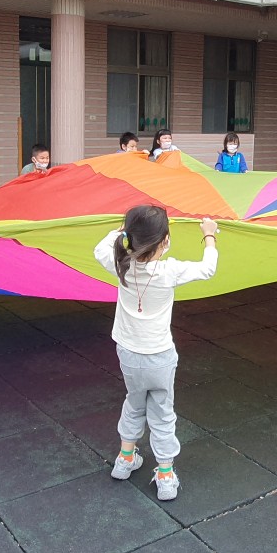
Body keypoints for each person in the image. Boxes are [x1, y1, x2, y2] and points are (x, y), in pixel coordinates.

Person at [94, 206, 219, 500]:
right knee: (162, 412)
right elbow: (208, 268)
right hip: (160, 357)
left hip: (128, 354)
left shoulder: (121, 264)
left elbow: (100, 249)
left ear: (130, 238)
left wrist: (121, 231)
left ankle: (125, 460)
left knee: (134, 402)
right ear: (164, 241)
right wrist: (209, 235)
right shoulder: (169, 270)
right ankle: (164, 475)